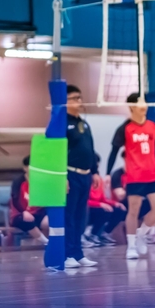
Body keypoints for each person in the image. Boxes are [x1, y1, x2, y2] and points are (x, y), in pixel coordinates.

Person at [106, 93, 155, 260]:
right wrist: (107, 173)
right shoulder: (125, 128)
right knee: (133, 211)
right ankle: (131, 246)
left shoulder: (154, 126)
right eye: (141, 103)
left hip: (153, 175)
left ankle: (142, 233)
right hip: (135, 176)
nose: (144, 106)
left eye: (145, 103)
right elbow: (114, 152)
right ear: (132, 107)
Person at [65, 85, 100, 268]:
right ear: (65, 102)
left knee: (80, 216)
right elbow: (57, 153)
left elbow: (90, 149)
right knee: (69, 216)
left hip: (85, 176)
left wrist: (95, 172)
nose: (79, 101)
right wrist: (62, 176)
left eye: (80, 97)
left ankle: (78, 254)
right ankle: (67, 255)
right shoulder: (62, 123)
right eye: (74, 98)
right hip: (70, 175)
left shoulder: (84, 124)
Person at [85, 154, 127, 246]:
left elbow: (103, 199)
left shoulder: (99, 180)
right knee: (104, 211)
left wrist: (114, 203)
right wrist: (100, 205)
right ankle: (92, 234)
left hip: (98, 206)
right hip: (88, 208)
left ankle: (104, 233)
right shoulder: (84, 180)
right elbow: (84, 201)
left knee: (120, 209)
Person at [9, 156, 49, 245]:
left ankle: (46, 243)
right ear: (25, 168)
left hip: (38, 212)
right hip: (20, 214)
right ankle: (44, 241)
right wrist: (23, 212)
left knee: (49, 221)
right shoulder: (18, 182)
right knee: (25, 220)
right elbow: (15, 200)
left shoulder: (41, 181)